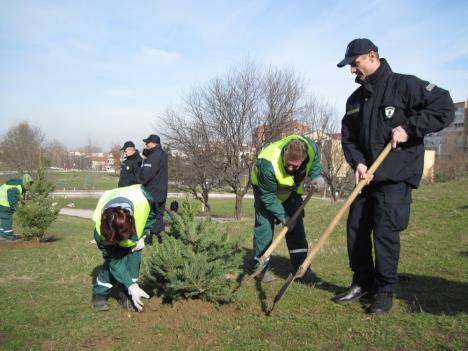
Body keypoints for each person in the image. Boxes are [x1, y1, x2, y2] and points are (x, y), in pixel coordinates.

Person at [335, 38, 454, 314]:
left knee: (385, 235)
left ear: (372, 56)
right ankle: (361, 282)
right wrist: (359, 164)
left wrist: (409, 128)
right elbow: (348, 138)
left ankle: (385, 291)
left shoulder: (404, 85)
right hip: (367, 178)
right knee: (356, 230)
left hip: (394, 176)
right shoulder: (355, 100)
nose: (352, 70)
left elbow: (444, 106)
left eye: (355, 63)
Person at [250, 135, 325, 282]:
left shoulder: (311, 149)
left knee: (296, 225)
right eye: (288, 164)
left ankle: (300, 268)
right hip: (265, 188)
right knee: (264, 226)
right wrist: (283, 217)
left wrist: (316, 176)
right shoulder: (267, 164)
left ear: (303, 159)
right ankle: (259, 269)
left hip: (290, 188)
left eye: (295, 166)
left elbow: (315, 160)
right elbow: (268, 198)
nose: (290, 168)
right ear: (284, 154)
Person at [91, 184, 156, 312]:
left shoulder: (144, 198)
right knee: (112, 265)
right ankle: (99, 294)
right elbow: (115, 262)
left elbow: (152, 214)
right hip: (111, 236)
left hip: (133, 233)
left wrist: (143, 234)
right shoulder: (100, 232)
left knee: (133, 261)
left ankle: (126, 294)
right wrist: (131, 285)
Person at [137, 134, 168, 245]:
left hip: (152, 193)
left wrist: (144, 162)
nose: (146, 144)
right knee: (159, 216)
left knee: (151, 217)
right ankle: (160, 240)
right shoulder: (162, 154)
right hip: (161, 191)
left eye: (147, 142)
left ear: (154, 143)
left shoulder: (154, 157)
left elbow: (145, 176)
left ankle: (153, 240)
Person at [0, 174, 33, 241]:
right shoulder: (14, 188)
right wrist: (19, 210)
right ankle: (9, 236)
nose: (29, 186)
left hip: (3, 204)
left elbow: (20, 197)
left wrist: (23, 204)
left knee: (4, 218)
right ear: (24, 182)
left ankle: (2, 234)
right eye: (28, 184)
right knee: (7, 218)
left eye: (30, 184)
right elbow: (13, 202)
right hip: (3, 205)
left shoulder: (20, 186)